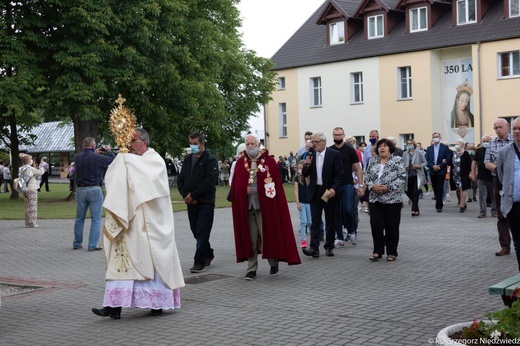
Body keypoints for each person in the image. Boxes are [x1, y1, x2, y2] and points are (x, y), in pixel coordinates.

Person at [93, 128, 184, 319]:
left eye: (133, 141)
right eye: (128, 141)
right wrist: (122, 161)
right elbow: (116, 181)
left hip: (148, 224)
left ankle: (156, 303)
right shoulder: (127, 160)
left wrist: (125, 160)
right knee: (121, 262)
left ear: (144, 142)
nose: (129, 146)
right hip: (127, 220)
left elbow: (148, 183)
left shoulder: (154, 160)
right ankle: (113, 306)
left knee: (150, 260)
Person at [230, 134, 301, 280]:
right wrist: (243, 189)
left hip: (265, 208)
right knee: (251, 238)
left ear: (258, 144)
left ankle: (273, 262)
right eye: (247, 144)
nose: (250, 147)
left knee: (267, 235)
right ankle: (251, 268)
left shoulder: (269, 161)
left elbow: (276, 186)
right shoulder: (240, 163)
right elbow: (235, 186)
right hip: (248, 207)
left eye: (252, 144)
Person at [178, 132, 218, 273]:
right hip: (190, 203)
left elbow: (209, 181)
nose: (193, 146)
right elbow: (181, 179)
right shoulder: (188, 159)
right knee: (195, 231)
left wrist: (194, 195)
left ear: (202, 144)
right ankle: (208, 252)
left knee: (202, 232)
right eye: (191, 143)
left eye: (195, 144)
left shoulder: (210, 160)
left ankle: (199, 261)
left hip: (205, 202)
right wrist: (186, 195)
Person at [302, 132, 343, 258]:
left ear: (323, 142)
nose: (313, 145)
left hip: (328, 191)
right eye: (312, 142)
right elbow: (304, 174)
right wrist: (306, 165)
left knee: (330, 219)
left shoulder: (333, 154)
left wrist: (334, 188)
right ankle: (314, 248)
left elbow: (339, 173)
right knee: (315, 220)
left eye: (316, 142)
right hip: (315, 191)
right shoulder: (310, 155)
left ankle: (329, 246)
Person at [364, 138, 406, 262]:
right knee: (376, 226)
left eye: (385, 146)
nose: (382, 148)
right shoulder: (373, 160)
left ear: (390, 148)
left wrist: (388, 187)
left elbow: (402, 177)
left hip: (392, 200)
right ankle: (377, 251)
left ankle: (392, 252)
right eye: (380, 146)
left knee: (391, 226)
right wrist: (372, 186)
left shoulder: (397, 160)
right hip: (375, 199)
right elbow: (367, 176)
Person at [73, 137, 115, 251]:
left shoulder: (77, 157)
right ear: (93, 146)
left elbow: (87, 159)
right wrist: (109, 150)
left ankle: (77, 243)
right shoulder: (97, 158)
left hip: (81, 189)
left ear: (83, 146)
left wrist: (93, 152)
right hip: (94, 189)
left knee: (79, 218)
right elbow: (112, 159)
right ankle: (92, 244)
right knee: (96, 219)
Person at [330, 127, 364, 247]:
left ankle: (351, 231)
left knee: (349, 210)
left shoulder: (350, 150)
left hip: (347, 184)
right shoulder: (330, 150)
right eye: (335, 135)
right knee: (337, 212)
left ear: (343, 135)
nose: (337, 137)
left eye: (339, 135)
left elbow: (358, 168)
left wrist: (360, 185)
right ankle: (339, 237)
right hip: (334, 185)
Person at [485, 118, 513, 256]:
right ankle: (505, 246)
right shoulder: (491, 144)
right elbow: (487, 163)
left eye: (500, 127)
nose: (498, 130)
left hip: (515, 180)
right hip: (498, 180)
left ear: (507, 126)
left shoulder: (515, 140)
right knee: (501, 214)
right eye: (495, 128)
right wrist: (500, 169)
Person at [496, 117, 520, 271]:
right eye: (515, 129)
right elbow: (501, 175)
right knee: (519, 244)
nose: (517, 132)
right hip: (514, 205)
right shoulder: (504, 152)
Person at [425, 132, 452, 212]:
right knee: (435, 187)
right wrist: (433, 166)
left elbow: (447, 159)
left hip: (441, 171)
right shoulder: (429, 148)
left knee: (440, 187)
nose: (435, 138)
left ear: (440, 138)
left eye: (437, 137)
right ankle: (438, 200)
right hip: (432, 170)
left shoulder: (444, 148)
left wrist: (440, 166)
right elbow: (427, 160)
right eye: (434, 137)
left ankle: (439, 205)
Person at [471, 135, 495, 218]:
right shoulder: (479, 151)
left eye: (487, 141)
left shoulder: (493, 150)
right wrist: (473, 173)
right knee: (482, 195)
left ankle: (494, 211)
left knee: (493, 195)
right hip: (481, 176)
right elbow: (474, 162)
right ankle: (482, 212)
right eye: (484, 141)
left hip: (492, 176)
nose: (486, 143)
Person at [19, 154, 45, 228]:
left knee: (27, 205)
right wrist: (41, 166)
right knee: (32, 206)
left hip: (25, 188)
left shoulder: (21, 168)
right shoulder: (29, 168)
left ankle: (27, 222)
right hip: (31, 188)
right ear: (29, 161)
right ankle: (32, 223)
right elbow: (40, 173)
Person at [402, 138, 427, 216]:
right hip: (408, 175)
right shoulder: (405, 154)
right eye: (408, 144)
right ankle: (416, 207)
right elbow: (402, 164)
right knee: (407, 191)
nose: (409, 145)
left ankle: (413, 210)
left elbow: (425, 162)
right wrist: (404, 167)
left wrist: (419, 166)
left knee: (415, 192)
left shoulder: (418, 152)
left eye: (410, 144)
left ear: (414, 144)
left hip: (417, 175)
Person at [450, 139, 472, 213]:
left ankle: (462, 206)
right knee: (459, 189)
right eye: (455, 144)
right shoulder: (453, 153)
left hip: (464, 174)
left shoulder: (466, 154)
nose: (456, 145)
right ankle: (463, 202)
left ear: (462, 145)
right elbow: (451, 163)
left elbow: (470, 164)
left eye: (458, 144)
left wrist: (471, 173)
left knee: (463, 189)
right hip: (455, 174)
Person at [294, 161, 311, 249]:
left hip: (309, 203)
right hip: (302, 202)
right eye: (299, 168)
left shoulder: (309, 178)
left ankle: (312, 239)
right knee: (303, 221)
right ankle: (303, 240)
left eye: (301, 168)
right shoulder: (297, 178)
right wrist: (297, 202)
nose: (300, 170)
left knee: (310, 222)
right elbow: (296, 191)